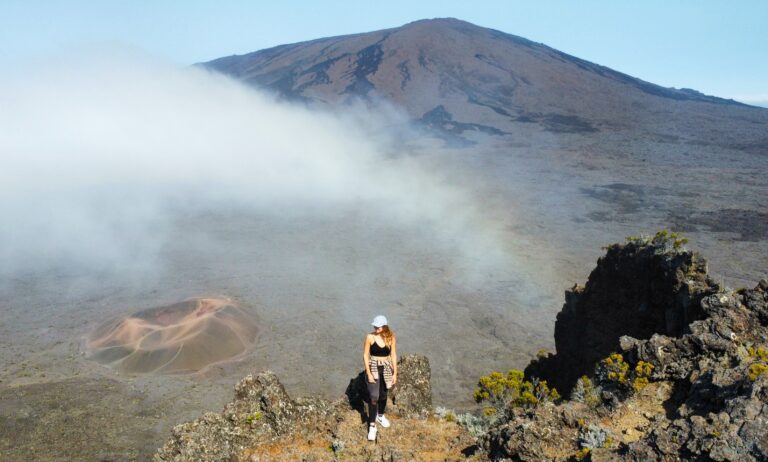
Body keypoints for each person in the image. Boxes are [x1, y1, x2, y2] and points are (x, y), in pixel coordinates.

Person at [362, 314, 397, 441]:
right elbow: (365, 355)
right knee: (374, 397)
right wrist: (369, 373)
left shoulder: (391, 338)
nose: (375, 328)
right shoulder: (370, 337)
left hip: (386, 369)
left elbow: (393, 355)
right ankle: (372, 425)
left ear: (384, 326)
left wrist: (395, 373)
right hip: (374, 368)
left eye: (378, 326)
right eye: (375, 326)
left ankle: (380, 415)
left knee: (383, 395)